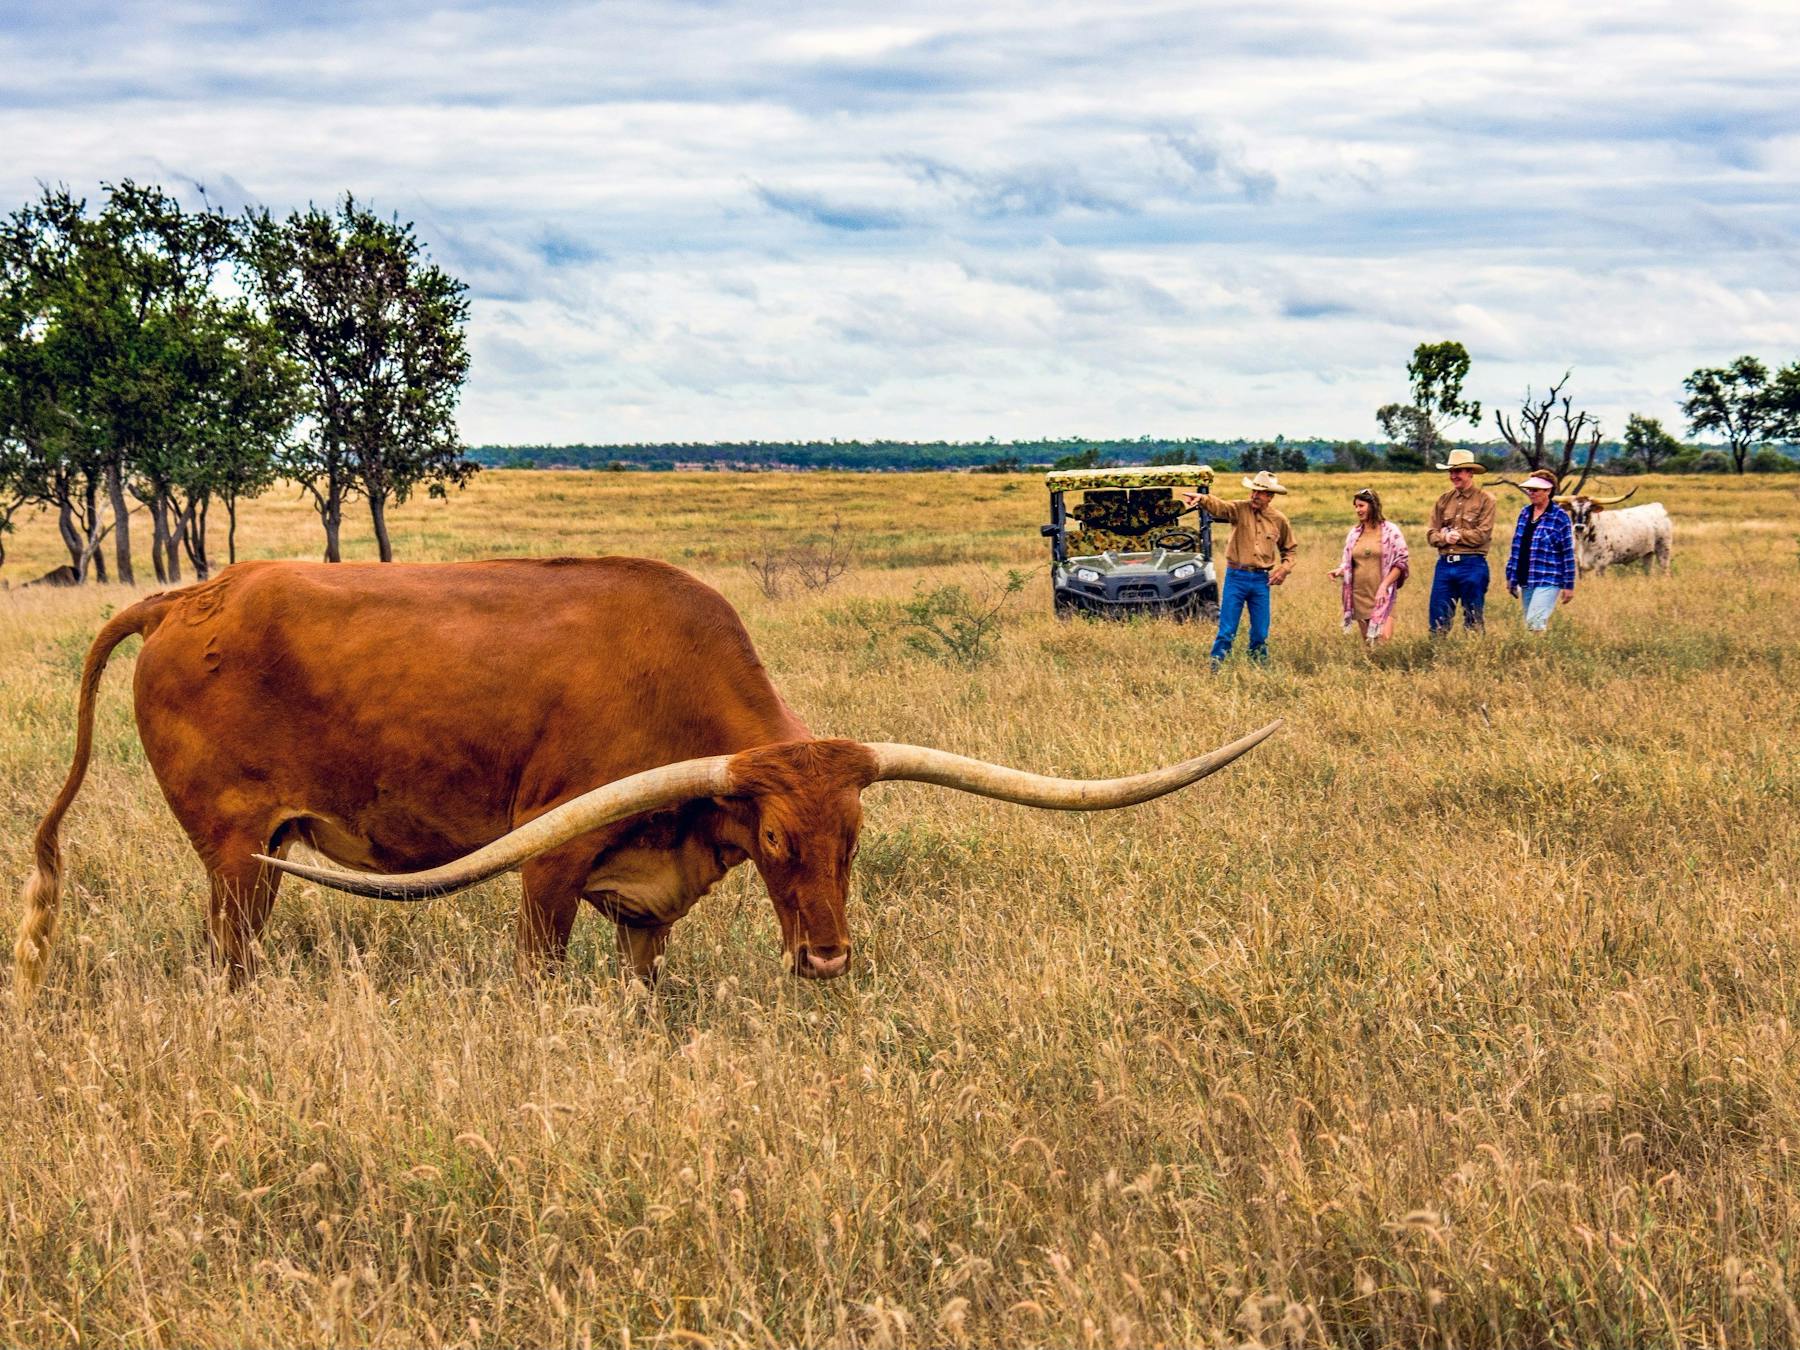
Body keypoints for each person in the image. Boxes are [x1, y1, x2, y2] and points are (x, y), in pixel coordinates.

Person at [1179, 470, 1297, 667]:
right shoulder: (1239, 509)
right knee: (1227, 629)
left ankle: (1258, 666)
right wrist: (1202, 499)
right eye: (1253, 491)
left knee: (1260, 632)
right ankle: (1216, 666)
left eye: (1259, 493)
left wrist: (1284, 569)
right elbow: (1221, 507)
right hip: (1236, 577)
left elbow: (1290, 550)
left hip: (1261, 580)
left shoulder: (1279, 520)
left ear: (1270, 496)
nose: (1254, 495)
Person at [1426, 446, 1496, 634]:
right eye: (1451, 471)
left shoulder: (1486, 500)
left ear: (1470, 472)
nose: (1453, 475)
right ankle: (1437, 657)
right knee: (1437, 618)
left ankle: (1473, 657)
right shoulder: (1443, 500)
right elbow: (1431, 534)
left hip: (1472, 564)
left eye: (1458, 471)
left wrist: (1457, 535)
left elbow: (1482, 535)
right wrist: (1444, 537)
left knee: (1473, 617)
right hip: (1445, 565)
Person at [1328, 488, 1409, 643]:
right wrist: (1340, 570)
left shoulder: (1390, 531)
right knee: (1369, 644)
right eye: (1356, 507)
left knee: (1383, 638)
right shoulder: (1354, 533)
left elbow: (1401, 561)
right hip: (1359, 594)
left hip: (1381, 594)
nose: (1358, 510)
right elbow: (1349, 562)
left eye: (1361, 506)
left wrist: (1384, 586)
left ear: (1373, 506)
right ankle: (1373, 667)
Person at [1506, 471, 1576, 632]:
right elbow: (1516, 547)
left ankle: (1538, 655)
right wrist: (1511, 576)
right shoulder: (1524, 513)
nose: (1531, 493)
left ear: (1548, 491)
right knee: (1530, 623)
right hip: (1526, 576)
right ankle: (1535, 654)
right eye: (1530, 489)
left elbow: (1567, 553)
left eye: (1536, 490)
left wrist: (1569, 585)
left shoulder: (1560, 517)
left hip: (1548, 577)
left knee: (1535, 621)